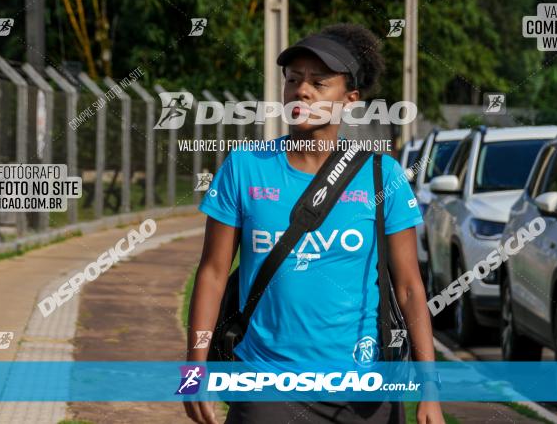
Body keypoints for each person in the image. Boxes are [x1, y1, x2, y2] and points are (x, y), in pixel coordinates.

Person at [184, 23, 444, 424]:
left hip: (363, 392)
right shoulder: (245, 168)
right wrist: (195, 367)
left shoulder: (382, 177)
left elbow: (409, 287)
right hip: (265, 387)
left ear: (349, 100)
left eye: (319, 83)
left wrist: (429, 389)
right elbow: (213, 274)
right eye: (293, 80)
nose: (301, 91)